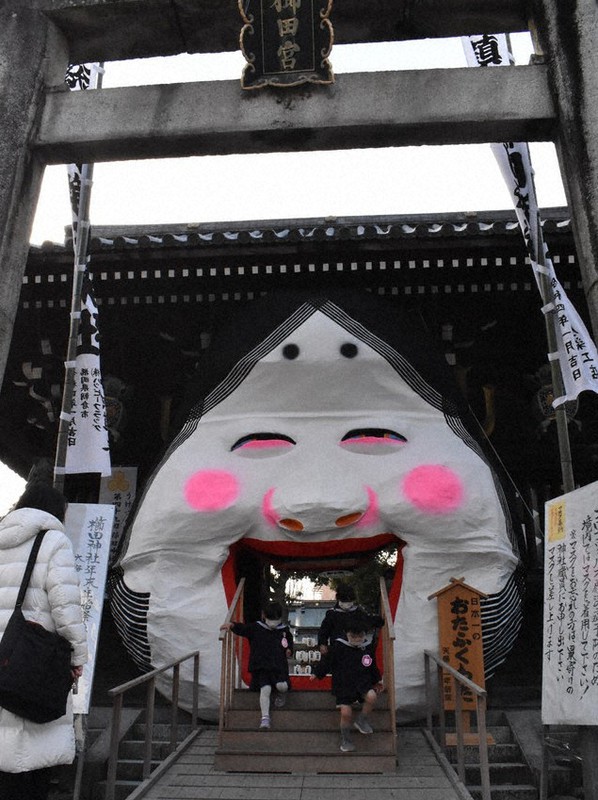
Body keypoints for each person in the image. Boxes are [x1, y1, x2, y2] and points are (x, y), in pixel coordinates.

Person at [0, 482, 88, 800]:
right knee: (31, 764)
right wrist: (77, 657)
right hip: (31, 666)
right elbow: (65, 606)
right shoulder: (52, 542)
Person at [312, 614, 383, 753]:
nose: (357, 640)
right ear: (347, 634)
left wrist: (377, 681)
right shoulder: (339, 646)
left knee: (372, 697)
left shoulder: (366, 647)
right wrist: (317, 673)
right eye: (353, 636)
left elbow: (372, 665)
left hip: (362, 682)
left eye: (360, 636)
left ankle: (362, 720)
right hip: (343, 684)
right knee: (346, 713)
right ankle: (346, 739)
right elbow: (327, 662)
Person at [220, 600, 293, 730]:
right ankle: (265, 718)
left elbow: (289, 642)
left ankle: (282, 694)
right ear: (263, 616)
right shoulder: (257, 628)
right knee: (265, 690)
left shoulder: (284, 630)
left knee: (282, 686)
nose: (273, 622)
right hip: (262, 667)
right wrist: (232, 625)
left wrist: (289, 650)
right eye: (271, 618)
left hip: (279, 667)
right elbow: (244, 629)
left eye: (275, 619)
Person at [317, 583, 383, 656]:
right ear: (339, 599)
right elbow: (324, 630)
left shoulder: (358, 612)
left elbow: (368, 621)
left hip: (356, 649)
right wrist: (322, 643)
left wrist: (379, 620)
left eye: (349, 601)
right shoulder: (332, 614)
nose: (347, 604)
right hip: (338, 649)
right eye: (345, 601)